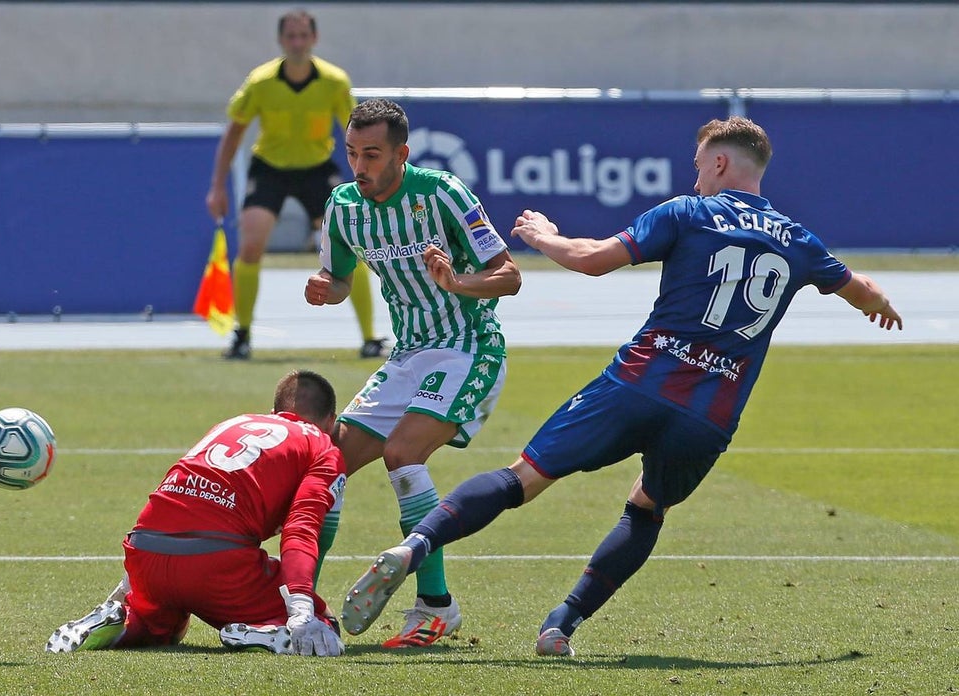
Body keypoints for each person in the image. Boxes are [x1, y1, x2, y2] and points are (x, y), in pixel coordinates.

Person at [340, 115, 904, 657]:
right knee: (646, 510)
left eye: (701, 166)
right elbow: (860, 289)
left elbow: (592, 260)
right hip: (710, 414)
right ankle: (562, 624)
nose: (696, 178)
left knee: (524, 478)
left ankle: (416, 545)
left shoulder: (690, 212)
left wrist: (544, 235)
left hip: (638, 383)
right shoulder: (799, 240)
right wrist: (880, 306)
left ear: (722, 163)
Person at [304, 98, 522, 648]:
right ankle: (301, 602)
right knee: (325, 465)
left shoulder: (442, 193)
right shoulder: (343, 206)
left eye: (372, 155)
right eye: (352, 153)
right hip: (407, 354)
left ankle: (435, 606)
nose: (360, 166)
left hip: (467, 347)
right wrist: (324, 291)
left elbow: (509, 276)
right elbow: (338, 278)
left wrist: (456, 283)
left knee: (402, 456)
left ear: (402, 153)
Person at [45, 369, 347, 657]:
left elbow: (174, 496)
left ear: (273, 411)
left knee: (163, 627)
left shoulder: (232, 423)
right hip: (217, 564)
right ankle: (266, 633)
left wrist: (130, 583)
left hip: (146, 552)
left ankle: (120, 625)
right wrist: (302, 609)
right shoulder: (322, 447)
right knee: (323, 629)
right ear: (331, 421)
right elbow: (301, 528)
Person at [205, 9, 382, 361]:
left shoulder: (334, 81)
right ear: (281, 40)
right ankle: (242, 335)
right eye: (291, 36)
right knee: (251, 243)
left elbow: (355, 131)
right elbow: (234, 132)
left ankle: (370, 338)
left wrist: (366, 177)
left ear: (314, 39)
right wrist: (218, 186)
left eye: (304, 36)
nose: (298, 43)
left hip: (317, 168)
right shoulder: (261, 81)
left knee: (351, 244)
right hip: (270, 168)